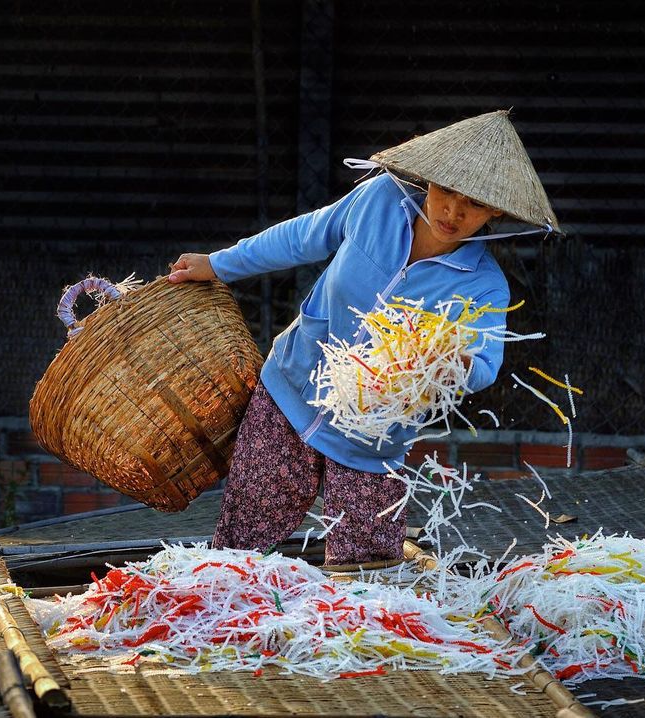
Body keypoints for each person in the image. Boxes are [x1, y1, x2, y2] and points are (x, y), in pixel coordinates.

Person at [167, 110, 559, 569]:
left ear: (495, 211)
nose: (452, 211)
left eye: (472, 203)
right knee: (241, 550)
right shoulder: (380, 202)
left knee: (368, 573)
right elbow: (303, 237)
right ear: (428, 180)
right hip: (290, 391)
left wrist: (451, 362)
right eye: (446, 191)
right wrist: (219, 263)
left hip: (372, 434)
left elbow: (485, 364)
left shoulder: (482, 287)